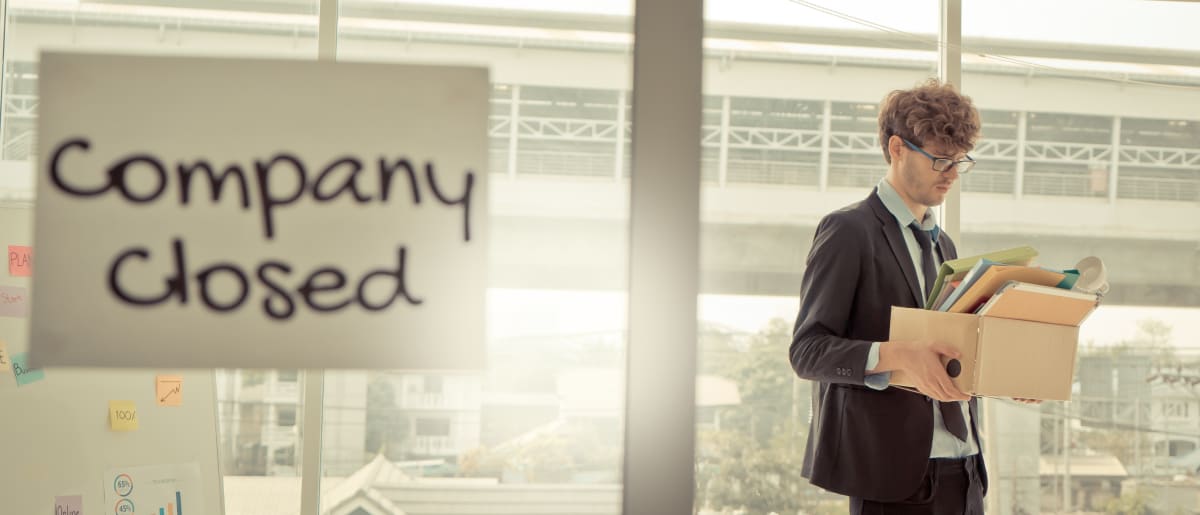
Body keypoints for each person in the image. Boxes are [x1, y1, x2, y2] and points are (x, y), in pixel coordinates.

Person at [788, 79, 988, 514]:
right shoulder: (849, 231)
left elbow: (950, 353)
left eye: (959, 161)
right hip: (891, 478)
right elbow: (807, 352)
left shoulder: (944, 246)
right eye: (939, 160)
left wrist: (1008, 376)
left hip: (966, 471)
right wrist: (898, 355)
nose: (952, 174)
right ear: (897, 148)